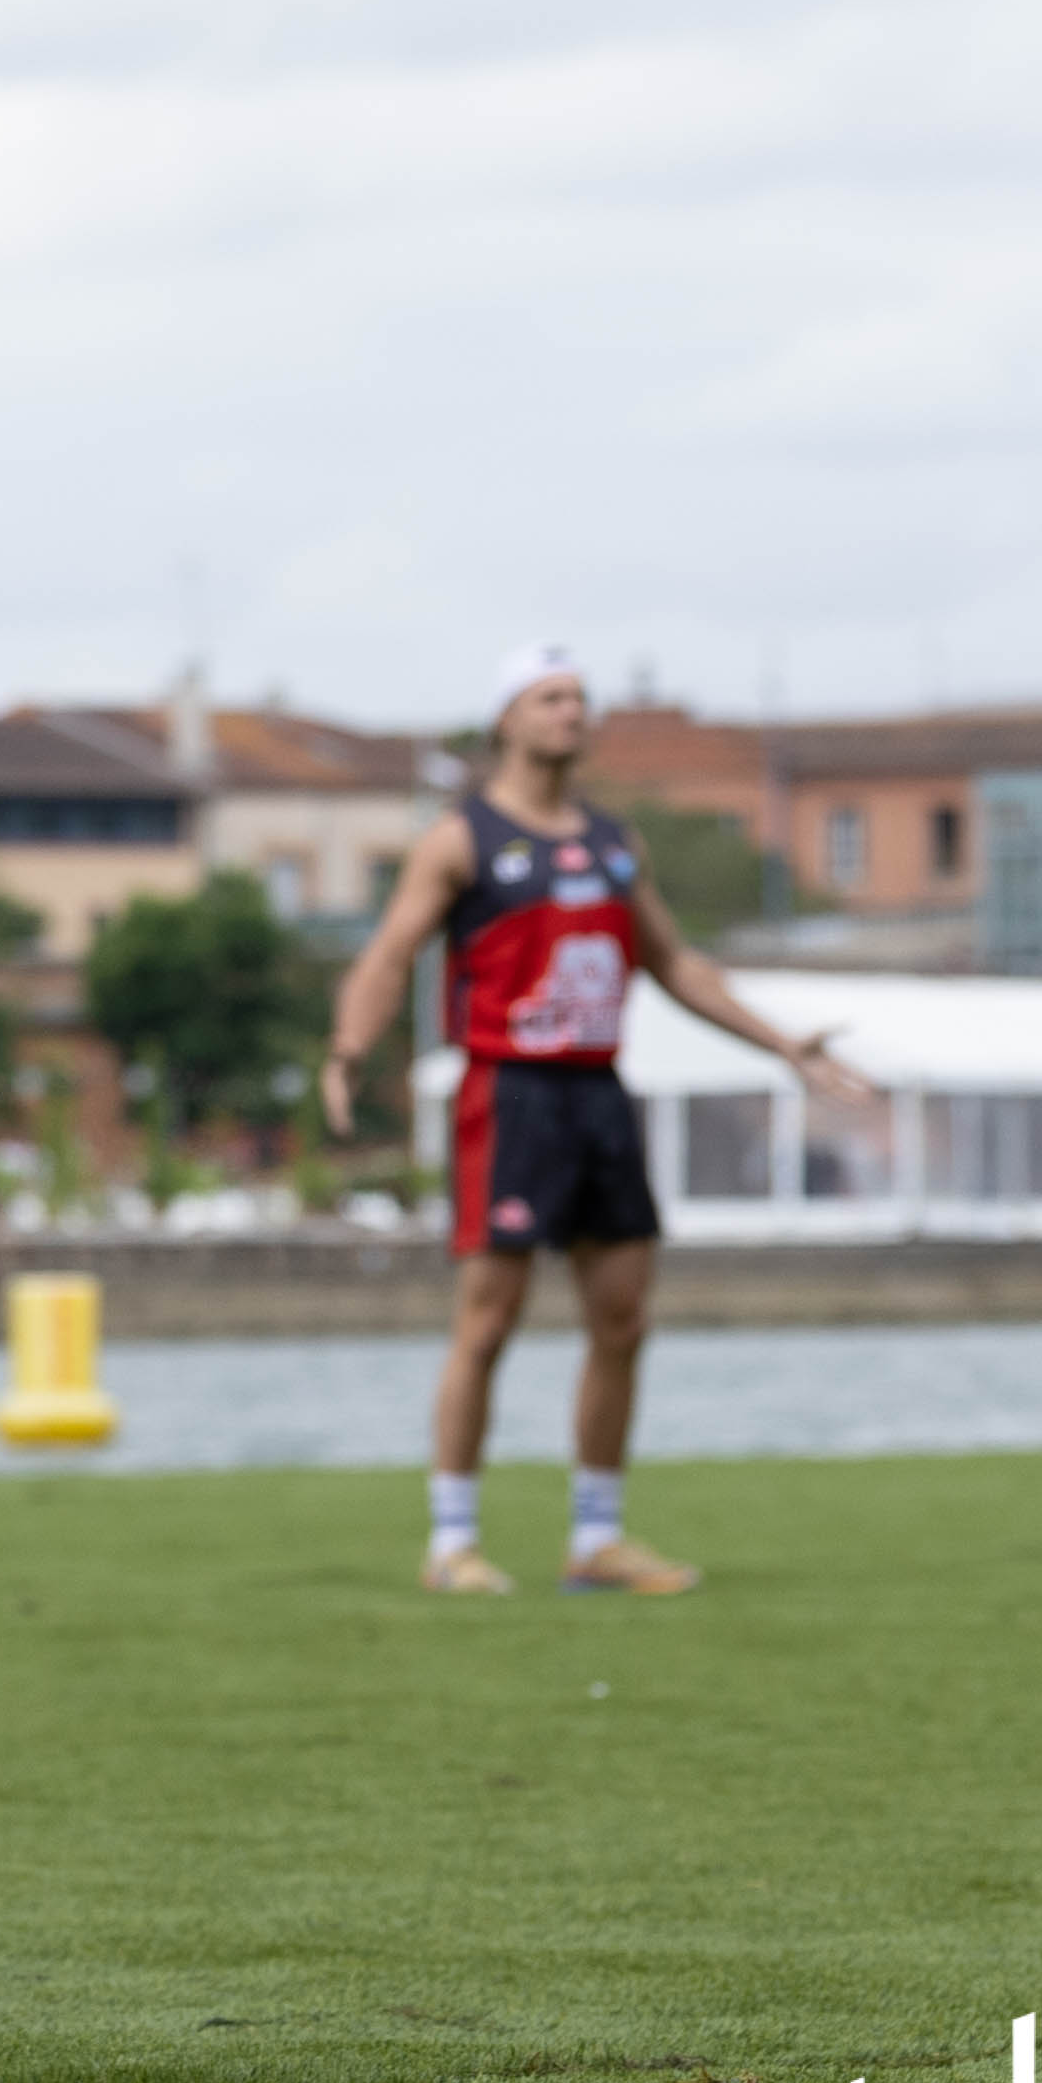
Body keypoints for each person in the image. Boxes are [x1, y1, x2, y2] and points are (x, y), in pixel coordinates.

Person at [325, 646, 864, 1597]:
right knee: (487, 1321)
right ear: (507, 718)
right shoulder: (461, 840)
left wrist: (782, 1044)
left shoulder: (615, 843)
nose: (570, 712)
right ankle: (451, 1540)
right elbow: (388, 953)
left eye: (578, 698)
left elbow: (675, 964)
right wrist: (347, 1049)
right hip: (510, 1093)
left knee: (622, 1318)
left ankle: (596, 1537)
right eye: (549, 698)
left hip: (599, 1093)